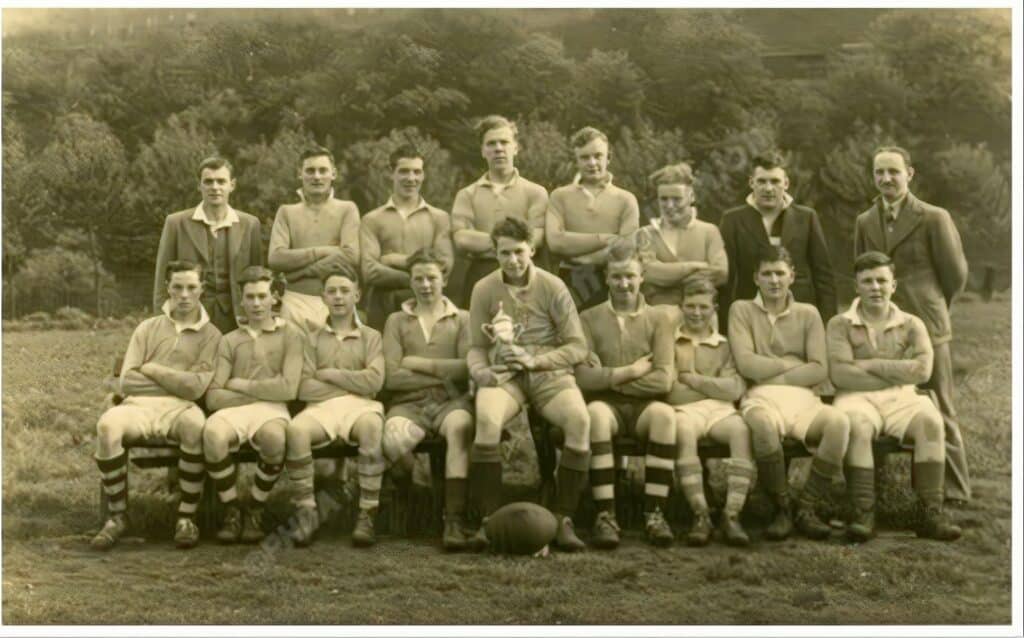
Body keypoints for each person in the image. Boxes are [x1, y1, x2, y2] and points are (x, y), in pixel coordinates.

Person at [466, 217, 591, 552]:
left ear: (532, 249)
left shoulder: (553, 286)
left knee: (579, 420)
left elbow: (578, 346)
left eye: (519, 252)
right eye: (504, 253)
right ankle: (488, 521)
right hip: (505, 372)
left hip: (546, 369)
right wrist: (482, 373)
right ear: (494, 252)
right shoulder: (484, 288)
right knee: (487, 419)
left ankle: (563, 517)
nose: (512, 260)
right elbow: (476, 348)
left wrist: (538, 361)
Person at [854, 145, 971, 503]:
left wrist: (932, 306)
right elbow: (859, 270)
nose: (886, 179)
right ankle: (877, 485)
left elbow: (955, 275)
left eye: (893, 171)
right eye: (879, 173)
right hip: (880, 325)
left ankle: (953, 490)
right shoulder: (865, 221)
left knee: (940, 402)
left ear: (910, 174)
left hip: (927, 324)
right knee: (878, 400)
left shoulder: (934, 217)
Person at [827, 251, 962, 541]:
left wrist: (870, 364)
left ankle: (928, 514)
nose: (875, 287)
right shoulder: (839, 323)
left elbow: (923, 371)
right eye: (867, 281)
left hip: (901, 397)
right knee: (858, 427)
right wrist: (898, 370)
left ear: (894, 285)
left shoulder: (912, 323)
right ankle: (863, 511)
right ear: (856, 286)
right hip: (855, 397)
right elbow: (840, 375)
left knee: (931, 422)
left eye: (881, 281)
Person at [92, 261, 220, 550]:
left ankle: (186, 518)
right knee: (107, 426)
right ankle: (117, 516)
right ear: (168, 288)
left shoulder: (211, 335)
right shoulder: (147, 328)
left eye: (191, 287)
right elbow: (127, 382)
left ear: (202, 289)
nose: (184, 295)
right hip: (139, 406)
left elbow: (195, 388)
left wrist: (153, 369)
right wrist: (177, 379)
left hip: (181, 407)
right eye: (177, 287)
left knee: (195, 426)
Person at [729, 246, 850, 541]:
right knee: (763, 426)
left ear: (792, 276)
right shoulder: (741, 310)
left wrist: (769, 367)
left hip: (803, 399)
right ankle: (781, 506)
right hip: (760, 395)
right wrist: (794, 365)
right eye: (767, 274)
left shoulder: (808, 314)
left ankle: (806, 507)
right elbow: (746, 364)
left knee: (839, 425)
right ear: (756, 278)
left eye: (780, 273)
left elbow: (819, 369)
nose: (774, 280)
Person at [575, 239, 677, 549]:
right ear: (605, 276)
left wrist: (607, 377)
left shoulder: (660, 318)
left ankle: (654, 512)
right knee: (595, 416)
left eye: (630, 276)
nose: (623, 284)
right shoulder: (588, 318)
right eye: (616, 276)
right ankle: (606, 514)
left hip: (646, 405)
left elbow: (662, 380)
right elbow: (581, 377)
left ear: (642, 276)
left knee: (665, 416)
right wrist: (629, 372)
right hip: (607, 405)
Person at [285, 265, 387, 547]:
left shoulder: (371, 336)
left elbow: (374, 383)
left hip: (361, 407)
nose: (339, 297)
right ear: (323, 297)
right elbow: (304, 386)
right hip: (320, 407)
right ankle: (306, 511)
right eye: (332, 291)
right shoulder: (311, 337)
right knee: (296, 430)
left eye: (345, 291)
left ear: (357, 294)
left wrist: (329, 375)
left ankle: (367, 512)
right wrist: (354, 381)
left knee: (372, 427)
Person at [202, 267, 305, 543]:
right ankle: (232, 508)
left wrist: (240, 385)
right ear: (242, 300)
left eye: (262, 296)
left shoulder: (291, 335)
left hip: (272, 411)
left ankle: (256, 507)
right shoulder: (230, 340)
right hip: (233, 410)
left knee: (274, 438)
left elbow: (288, 388)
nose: (256, 304)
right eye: (250, 297)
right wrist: (262, 392)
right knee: (212, 435)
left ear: (274, 298)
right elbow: (213, 397)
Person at [381, 248, 474, 551]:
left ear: (444, 279)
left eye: (431, 278)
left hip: (452, 401)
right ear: (410, 282)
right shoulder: (396, 320)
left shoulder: (462, 319)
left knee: (460, 428)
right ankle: (415, 492)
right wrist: (445, 374)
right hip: (410, 403)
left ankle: (454, 519)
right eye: (418, 279)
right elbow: (392, 377)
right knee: (393, 438)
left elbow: (466, 369)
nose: (425, 285)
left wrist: (418, 363)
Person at [667, 279, 753, 547]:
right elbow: (671, 392)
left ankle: (732, 513)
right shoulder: (671, 342)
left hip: (719, 412)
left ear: (714, 308)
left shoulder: (724, 344)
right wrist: (714, 386)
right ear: (680, 307)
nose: (696, 312)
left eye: (703, 307)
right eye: (690, 306)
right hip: (684, 410)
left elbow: (734, 389)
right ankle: (700, 512)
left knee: (740, 430)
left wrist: (692, 379)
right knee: (682, 430)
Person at [718, 151, 836, 332]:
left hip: (798, 316)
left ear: (786, 184)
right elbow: (727, 279)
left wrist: (828, 323)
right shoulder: (733, 220)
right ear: (751, 183)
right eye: (762, 181)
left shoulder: (806, 217)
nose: (768, 188)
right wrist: (725, 328)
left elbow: (823, 276)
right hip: (750, 317)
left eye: (775, 181)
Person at [153, 157, 264, 335]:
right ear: (199, 185)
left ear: (232, 185)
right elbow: (161, 278)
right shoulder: (176, 223)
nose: (215, 187)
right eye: (208, 182)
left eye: (221, 181)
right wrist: (162, 320)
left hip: (236, 317)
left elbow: (258, 278)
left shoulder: (250, 224)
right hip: (190, 314)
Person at [450, 115, 549, 309]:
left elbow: (537, 236)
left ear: (515, 147)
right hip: (481, 273)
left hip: (524, 274)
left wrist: (489, 243)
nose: (498, 148)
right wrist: (511, 243)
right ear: (482, 151)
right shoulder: (466, 194)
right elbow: (462, 239)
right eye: (491, 143)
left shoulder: (535, 192)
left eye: (504, 142)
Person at [267, 145, 361, 334]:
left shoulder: (347, 209)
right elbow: (276, 258)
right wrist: (327, 250)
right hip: (295, 301)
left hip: (338, 301)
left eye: (322, 170)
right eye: (310, 170)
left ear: (333, 174)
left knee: (339, 360)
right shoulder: (287, 212)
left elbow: (351, 256)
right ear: (299, 174)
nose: (317, 176)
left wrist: (299, 272)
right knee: (295, 360)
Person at [360, 144, 454, 330]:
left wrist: (393, 260)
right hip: (383, 303)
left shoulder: (439, 218)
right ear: (391, 173)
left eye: (417, 172)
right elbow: (370, 271)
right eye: (404, 171)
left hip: (426, 302)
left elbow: (444, 265)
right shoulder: (372, 219)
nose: (411, 178)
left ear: (423, 175)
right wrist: (419, 276)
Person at [546, 126, 640, 309]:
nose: (592, 162)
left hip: (613, 280)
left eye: (598, 156)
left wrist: (582, 258)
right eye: (584, 157)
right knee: (573, 334)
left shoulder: (626, 199)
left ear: (609, 158)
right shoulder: (560, 196)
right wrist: (605, 239)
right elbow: (556, 242)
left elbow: (626, 247)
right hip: (570, 279)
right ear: (576, 160)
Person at [634, 162, 728, 307]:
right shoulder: (645, 234)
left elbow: (721, 274)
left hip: (700, 319)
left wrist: (666, 278)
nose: (669, 205)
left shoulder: (709, 231)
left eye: (677, 199)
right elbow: (648, 273)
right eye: (664, 199)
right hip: (657, 318)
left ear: (691, 197)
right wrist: (695, 266)